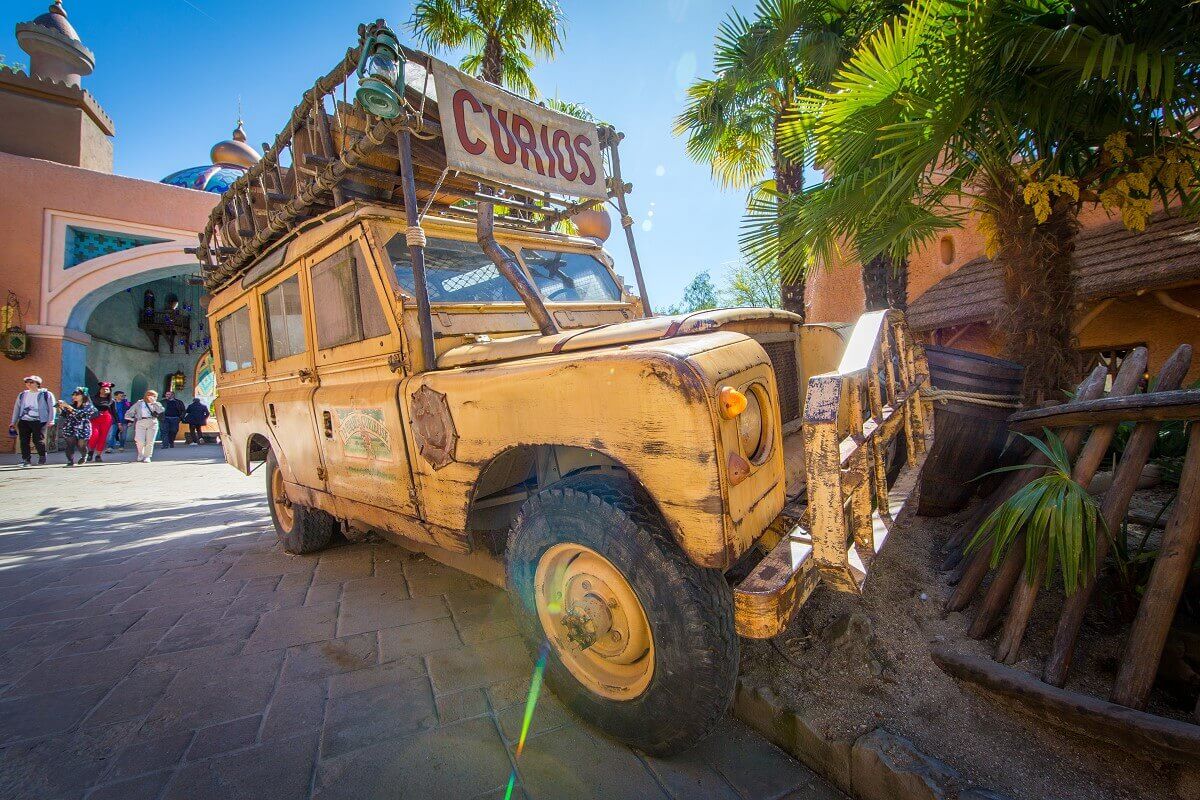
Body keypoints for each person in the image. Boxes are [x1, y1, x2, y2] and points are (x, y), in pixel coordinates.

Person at [9, 375, 55, 467]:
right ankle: (26, 460)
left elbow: (52, 408)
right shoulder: (22, 394)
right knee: (23, 440)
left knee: (37, 440)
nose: (28, 384)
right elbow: (17, 408)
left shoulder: (46, 394)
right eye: (27, 382)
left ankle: (42, 455)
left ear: (38, 384)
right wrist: (13, 422)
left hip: (39, 420)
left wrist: (51, 420)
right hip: (24, 420)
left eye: (31, 382)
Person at [56, 388, 96, 467]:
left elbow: (80, 415)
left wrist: (67, 406)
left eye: (77, 394)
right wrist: (60, 407)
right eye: (73, 394)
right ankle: (70, 460)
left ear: (83, 395)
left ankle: (84, 455)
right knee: (70, 444)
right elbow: (64, 415)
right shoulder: (71, 405)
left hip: (83, 427)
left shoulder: (89, 406)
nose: (74, 396)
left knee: (81, 445)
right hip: (70, 426)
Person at [126, 389, 164, 463]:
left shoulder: (157, 404)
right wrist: (131, 419)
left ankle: (147, 456)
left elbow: (161, 410)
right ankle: (140, 454)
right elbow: (130, 412)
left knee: (150, 441)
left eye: (155, 396)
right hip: (141, 422)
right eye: (150, 395)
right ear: (146, 395)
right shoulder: (140, 403)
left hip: (153, 422)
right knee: (139, 440)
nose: (152, 397)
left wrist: (154, 403)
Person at [86, 382, 114, 462]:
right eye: (103, 389)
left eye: (107, 389)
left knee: (102, 437)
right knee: (94, 435)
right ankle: (90, 451)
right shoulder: (92, 398)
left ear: (109, 391)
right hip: (94, 418)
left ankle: (98, 455)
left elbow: (114, 412)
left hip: (106, 419)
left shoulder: (111, 400)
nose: (105, 390)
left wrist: (118, 423)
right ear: (100, 389)